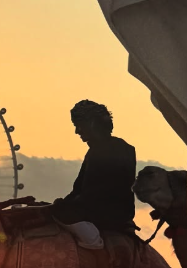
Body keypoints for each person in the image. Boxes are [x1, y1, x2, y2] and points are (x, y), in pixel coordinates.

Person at [51, 100, 137, 247]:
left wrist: (66, 205)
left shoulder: (101, 151)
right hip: (116, 211)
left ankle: (91, 240)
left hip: (106, 212)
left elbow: (96, 191)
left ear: (91, 124)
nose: (77, 131)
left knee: (59, 211)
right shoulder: (123, 148)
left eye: (78, 125)